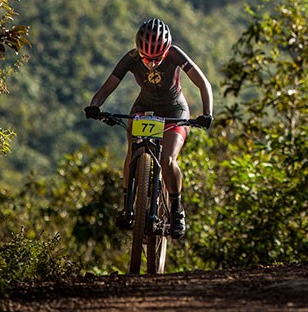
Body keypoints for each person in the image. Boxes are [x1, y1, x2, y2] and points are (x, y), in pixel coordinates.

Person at [85, 18, 213, 239]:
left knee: (168, 160)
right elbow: (109, 85)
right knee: (132, 151)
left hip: (174, 110)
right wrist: (95, 106)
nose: (152, 64)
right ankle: (128, 207)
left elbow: (203, 83)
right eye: (147, 58)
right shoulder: (131, 58)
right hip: (144, 107)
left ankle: (176, 209)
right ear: (138, 51)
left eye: (157, 59)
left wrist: (207, 113)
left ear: (165, 51)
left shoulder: (174, 54)